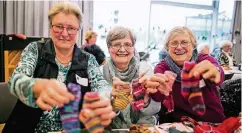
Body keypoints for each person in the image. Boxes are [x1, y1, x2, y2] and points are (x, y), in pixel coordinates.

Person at [3, 2, 115, 133]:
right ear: (50, 28)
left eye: (71, 28)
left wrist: (103, 99)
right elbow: (15, 80)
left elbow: (101, 85)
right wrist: (35, 86)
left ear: (78, 30)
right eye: (59, 26)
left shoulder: (88, 59)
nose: (65, 33)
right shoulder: (35, 49)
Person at [145, 26, 225, 123]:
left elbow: (218, 72)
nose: (179, 47)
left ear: (193, 45)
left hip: (210, 120)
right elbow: (158, 96)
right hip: (177, 123)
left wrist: (216, 71)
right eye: (174, 43)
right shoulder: (162, 67)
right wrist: (153, 90)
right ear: (167, 48)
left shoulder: (204, 59)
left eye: (184, 42)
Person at [101, 26, 161, 129]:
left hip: (143, 127)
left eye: (128, 45)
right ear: (108, 48)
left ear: (133, 48)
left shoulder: (144, 69)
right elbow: (99, 114)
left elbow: (156, 109)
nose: (122, 49)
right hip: (110, 128)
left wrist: (145, 101)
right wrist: (114, 106)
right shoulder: (101, 72)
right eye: (116, 44)